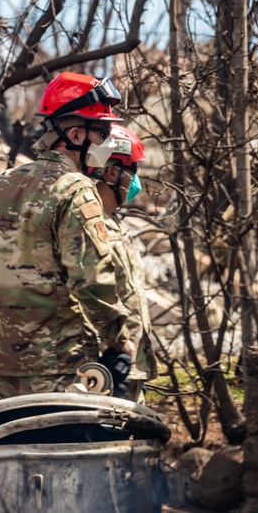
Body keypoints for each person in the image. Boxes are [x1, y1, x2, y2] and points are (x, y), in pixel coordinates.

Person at [0, 72, 134, 405]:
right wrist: (118, 339)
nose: (107, 143)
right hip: (60, 368)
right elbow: (91, 280)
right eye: (101, 133)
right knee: (58, 453)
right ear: (75, 135)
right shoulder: (76, 191)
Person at [87, 125, 158, 400]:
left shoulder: (115, 226)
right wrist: (116, 344)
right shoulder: (89, 228)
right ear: (113, 173)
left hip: (128, 364)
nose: (136, 182)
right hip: (104, 366)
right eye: (134, 172)